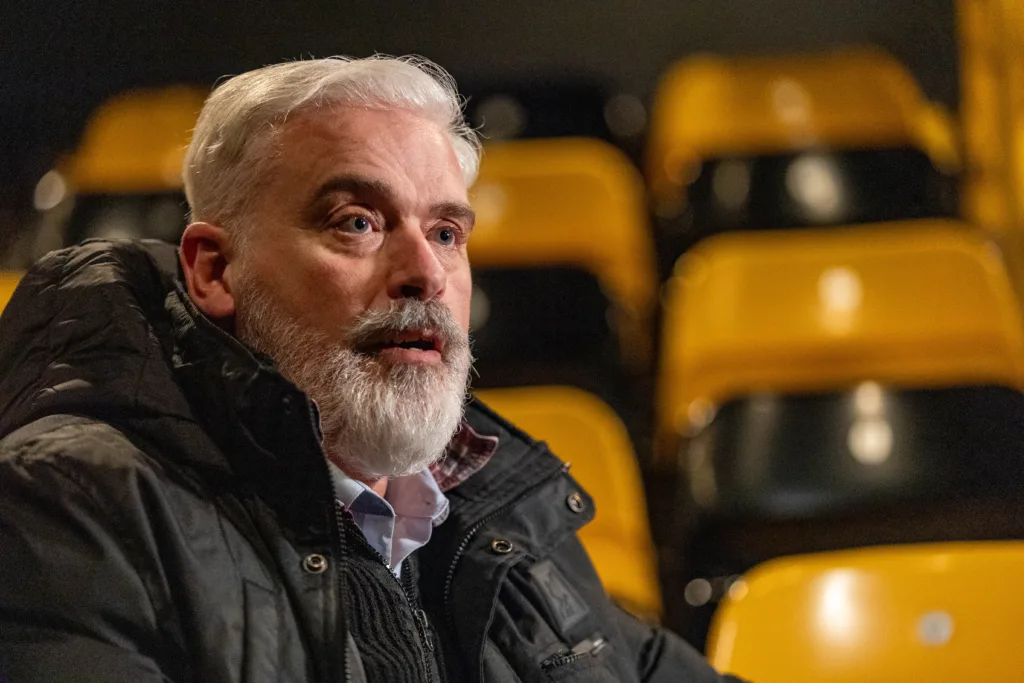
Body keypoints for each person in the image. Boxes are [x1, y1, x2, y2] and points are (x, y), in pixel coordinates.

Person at [0, 56, 743, 682]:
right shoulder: (67, 506)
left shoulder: (494, 501)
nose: (425, 271)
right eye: (357, 221)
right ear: (215, 269)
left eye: (447, 231)